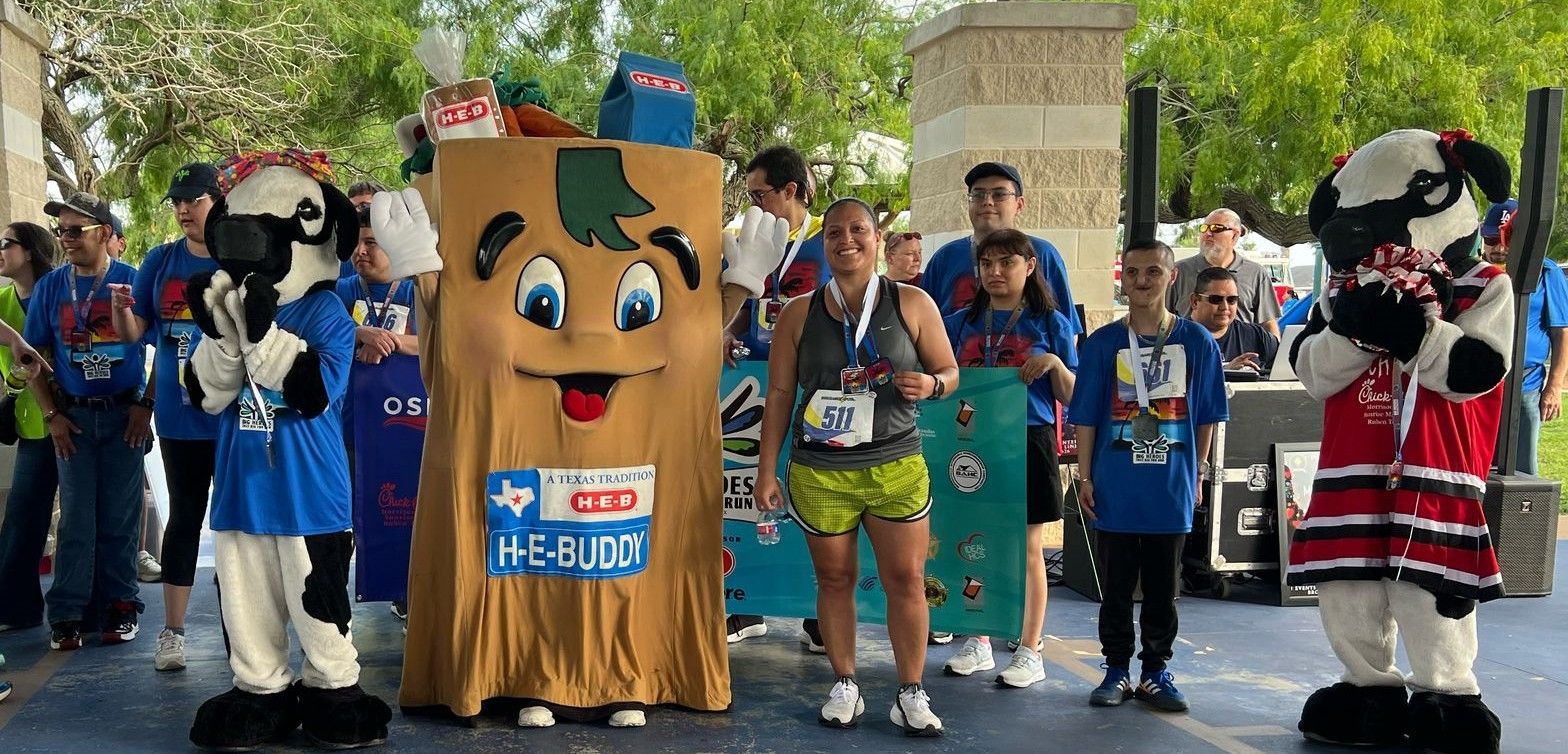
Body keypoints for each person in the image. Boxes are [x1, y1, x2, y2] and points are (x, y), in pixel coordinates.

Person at [754, 197, 958, 736]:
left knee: (907, 580)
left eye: (858, 230)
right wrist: (765, 470)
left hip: (896, 465)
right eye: (835, 232)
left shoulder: (911, 302)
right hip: (820, 470)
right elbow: (778, 394)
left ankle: (910, 691)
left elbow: (949, 371)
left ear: (876, 239)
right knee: (835, 578)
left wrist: (933, 385)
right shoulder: (798, 313)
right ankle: (845, 681)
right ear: (824, 244)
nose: (847, 240)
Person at [1069, 239, 1227, 713]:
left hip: (1171, 482)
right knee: (1115, 587)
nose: (1141, 281)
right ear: (1123, 278)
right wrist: (1085, 477)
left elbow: (1207, 416)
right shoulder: (1102, 344)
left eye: (1152, 272)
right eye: (1133, 272)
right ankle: (1116, 669)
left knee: (1164, 587)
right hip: (1116, 483)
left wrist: (1197, 471)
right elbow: (1087, 418)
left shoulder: (1195, 341)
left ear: (1171, 276)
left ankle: (1156, 671)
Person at [940, 229, 1076, 688]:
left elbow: (1073, 395)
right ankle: (978, 638)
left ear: (1030, 265)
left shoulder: (1051, 322)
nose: (995, 272)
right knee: (973, 541)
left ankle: (1029, 648)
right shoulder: (959, 322)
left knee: (1027, 548)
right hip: (971, 443)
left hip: (1029, 440)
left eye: (1007, 262)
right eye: (987, 264)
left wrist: (1056, 365)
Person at [106, 162, 223, 670]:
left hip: (237, 414)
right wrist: (119, 309)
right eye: (177, 200)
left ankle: (243, 629)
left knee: (239, 523)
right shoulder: (160, 259)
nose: (182, 208)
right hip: (180, 418)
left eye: (193, 198)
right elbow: (136, 334)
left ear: (217, 199)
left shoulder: (240, 252)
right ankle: (172, 633)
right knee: (185, 519)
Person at [29, 192, 150, 651]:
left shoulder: (133, 281)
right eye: (61, 231)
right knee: (76, 521)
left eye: (75, 230)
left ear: (104, 232)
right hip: (74, 422)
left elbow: (166, 346)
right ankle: (67, 613)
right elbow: (32, 356)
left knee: (121, 519)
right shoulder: (52, 287)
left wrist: (147, 405)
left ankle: (121, 606)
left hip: (125, 418)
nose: (65, 239)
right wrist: (52, 415)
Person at [723, 145, 830, 650]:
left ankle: (816, 613)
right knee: (747, 490)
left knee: (809, 494)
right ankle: (747, 604)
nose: (754, 205)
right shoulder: (750, 237)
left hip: (812, 387)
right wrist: (729, 330)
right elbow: (745, 299)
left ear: (792, 191)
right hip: (754, 383)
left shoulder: (829, 241)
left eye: (760, 195)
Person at [335, 204, 419, 625]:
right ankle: (333, 605)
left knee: (406, 513)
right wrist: (358, 333)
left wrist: (391, 341)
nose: (360, 252)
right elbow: (314, 330)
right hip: (346, 429)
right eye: (356, 243)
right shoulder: (341, 289)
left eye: (371, 243)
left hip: (402, 429)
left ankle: (408, 591)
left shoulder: (418, 291)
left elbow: (441, 343)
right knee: (341, 520)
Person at [919, 162, 1078, 338]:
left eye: (999, 194)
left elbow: (1069, 333)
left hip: (1030, 364)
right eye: (978, 194)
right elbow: (920, 327)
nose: (987, 201)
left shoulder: (1042, 253)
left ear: (1019, 204)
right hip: (956, 364)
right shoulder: (945, 257)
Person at [0, 222, 61, 634]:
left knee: (82, 521)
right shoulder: (3, 300)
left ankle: (85, 610)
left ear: (31, 250)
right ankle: (17, 608)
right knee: (23, 518)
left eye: (7, 243)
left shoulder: (59, 290)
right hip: (32, 426)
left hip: (74, 419)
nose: (0, 250)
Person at [1482, 199, 1566, 475]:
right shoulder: (1477, 274)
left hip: (1525, 387)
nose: (1497, 248)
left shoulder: (1546, 273)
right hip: (1482, 385)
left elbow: (1561, 333)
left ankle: (1520, 520)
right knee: (1480, 465)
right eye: (1490, 239)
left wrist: (1553, 388)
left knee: (1522, 471)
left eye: (1503, 238)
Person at [1166, 209, 1283, 336]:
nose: (1208, 233)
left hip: (1243, 352)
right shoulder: (1179, 271)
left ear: (1235, 235)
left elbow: (1268, 323)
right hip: (1192, 352)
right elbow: (1163, 319)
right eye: (1204, 228)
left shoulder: (1256, 273)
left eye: (1216, 228)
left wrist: (1277, 353)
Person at [1187, 266, 1279, 374]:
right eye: (1216, 299)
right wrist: (1225, 372)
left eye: (1232, 300)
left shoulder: (1257, 336)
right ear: (1195, 301)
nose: (1224, 307)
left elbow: (1287, 367)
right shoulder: (1176, 338)